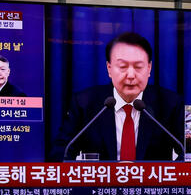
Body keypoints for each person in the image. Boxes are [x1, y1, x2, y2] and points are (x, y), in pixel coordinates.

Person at [50, 32, 184, 161]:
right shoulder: (84, 103)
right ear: (109, 68)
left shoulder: (170, 104)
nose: (131, 75)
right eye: (123, 66)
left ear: (149, 68)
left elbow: (188, 155)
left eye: (138, 67)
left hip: (152, 183)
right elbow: (61, 153)